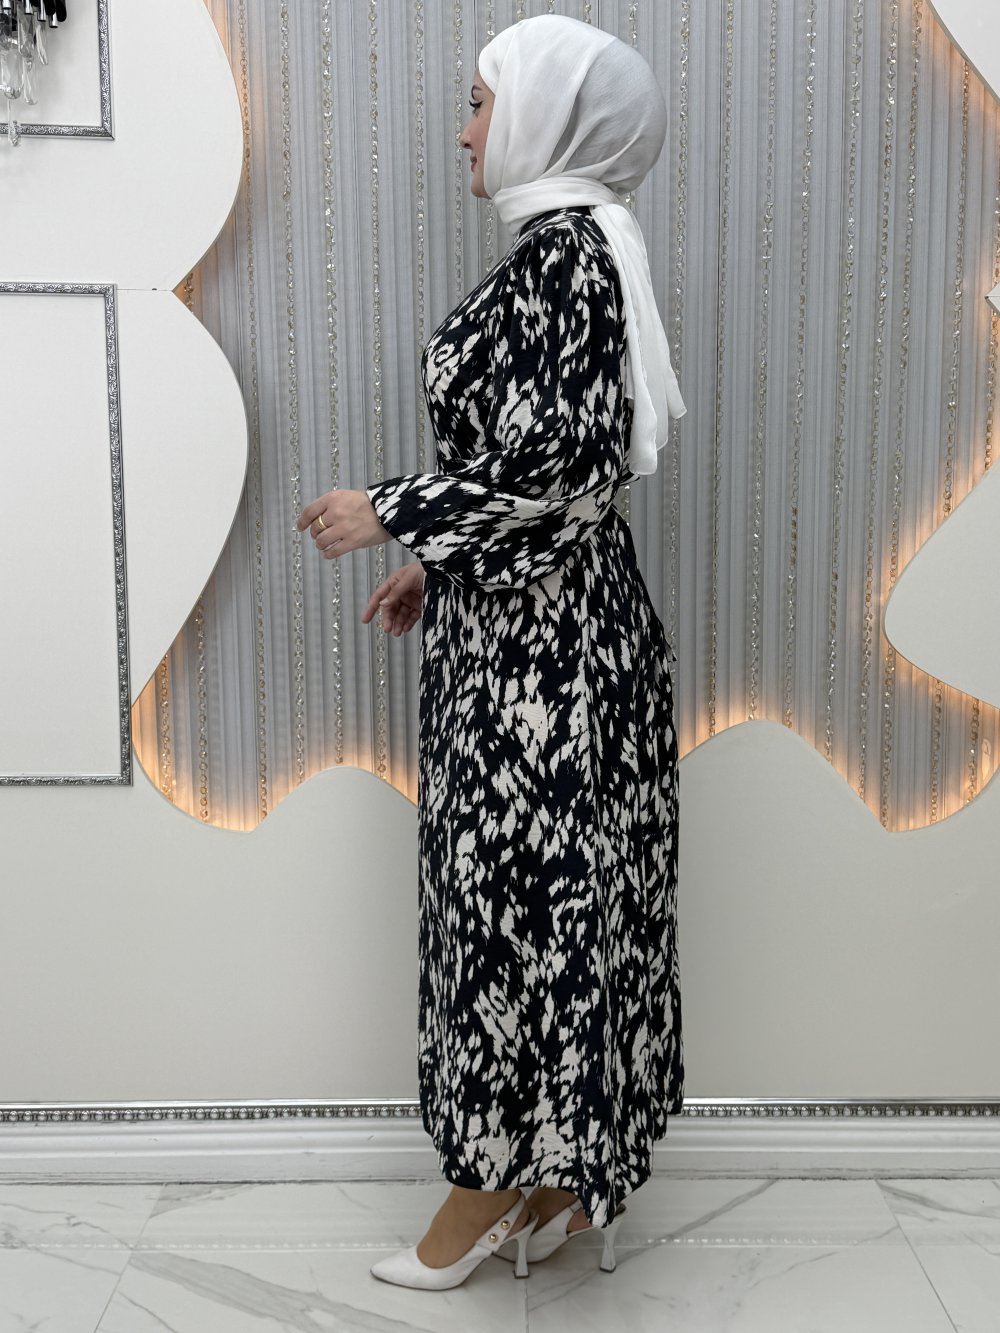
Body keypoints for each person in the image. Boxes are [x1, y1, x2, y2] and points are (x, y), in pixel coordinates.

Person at [297, 13, 685, 1292]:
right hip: (538, 636)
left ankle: (486, 1188)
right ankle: (554, 1180)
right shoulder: (571, 251)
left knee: (514, 909)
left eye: (479, 102)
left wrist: (391, 510)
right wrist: (438, 558)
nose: (464, 132)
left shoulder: (567, 260)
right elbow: (543, 474)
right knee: (544, 905)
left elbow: (563, 467)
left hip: (546, 671)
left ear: (548, 117)